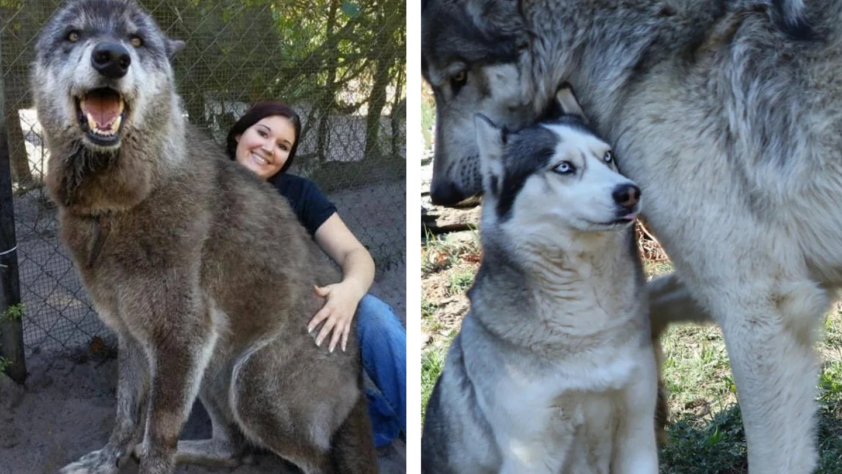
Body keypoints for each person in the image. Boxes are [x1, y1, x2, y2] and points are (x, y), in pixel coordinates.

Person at [226, 101, 406, 449]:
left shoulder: (298, 193)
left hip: (304, 320)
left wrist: (349, 291)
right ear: (238, 134)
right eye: (262, 133)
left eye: (283, 146)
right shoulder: (201, 191)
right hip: (243, 344)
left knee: (374, 315)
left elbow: (356, 255)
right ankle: (363, 416)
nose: (268, 148)